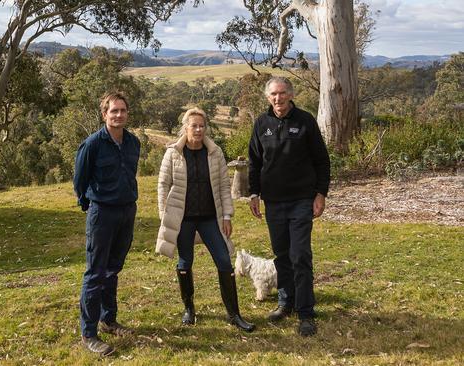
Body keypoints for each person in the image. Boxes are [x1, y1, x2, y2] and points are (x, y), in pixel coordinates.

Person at [156, 107, 256, 333]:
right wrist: (165, 216)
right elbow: (163, 185)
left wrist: (227, 215)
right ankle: (189, 309)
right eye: (194, 126)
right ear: (186, 128)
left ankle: (234, 314)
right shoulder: (173, 153)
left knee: (224, 261)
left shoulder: (215, 152)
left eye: (202, 126)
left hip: (210, 218)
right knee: (185, 263)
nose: (198, 130)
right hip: (183, 220)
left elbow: (222, 186)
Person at [247, 76, 330, 337]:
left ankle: (305, 312)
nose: (278, 98)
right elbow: (254, 162)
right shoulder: (261, 123)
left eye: (282, 93)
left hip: (301, 200)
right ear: (267, 97)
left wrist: (320, 194)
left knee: (300, 255)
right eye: (273, 94)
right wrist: (253, 193)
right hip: (273, 202)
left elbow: (322, 161)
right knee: (281, 255)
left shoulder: (305, 121)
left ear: (291, 95)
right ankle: (286, 302)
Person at [73, 91, 140, 356]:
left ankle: (109, 319)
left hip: (127, 211)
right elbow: (80, 180)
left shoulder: (133, 142)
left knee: (114, 269)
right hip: (102, 213)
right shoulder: (92, 144)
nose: (119, 115)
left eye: (123, 110)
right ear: (104, 114)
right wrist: (87, 204)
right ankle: (89, 333)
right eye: (114, 111)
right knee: (96, 273)